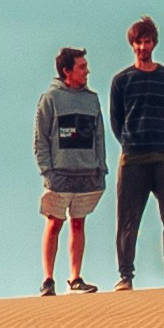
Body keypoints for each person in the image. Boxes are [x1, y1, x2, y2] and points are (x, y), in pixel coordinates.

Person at [109, 17, 164, 289]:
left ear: (154, 43)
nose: (143, 47)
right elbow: (116, 121)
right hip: (133, 159)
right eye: (138, 42)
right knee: (127, 219)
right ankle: (125, 277)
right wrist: (131, 142)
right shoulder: (121, 80)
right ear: (131, 44)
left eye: (147, 41)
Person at [34, 45, 106, 295]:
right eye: (82, 67)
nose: (87, 71)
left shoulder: (92, 99)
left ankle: (75, 278)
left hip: (87, 175)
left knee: (78, 223)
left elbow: (99, 136)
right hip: (59, 175)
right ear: (67, 71)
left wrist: (101, 168)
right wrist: (47, 172)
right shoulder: (50, 99)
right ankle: (48, 280)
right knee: (54, 224)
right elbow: (41, 139)